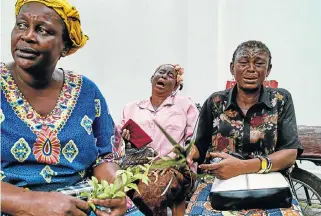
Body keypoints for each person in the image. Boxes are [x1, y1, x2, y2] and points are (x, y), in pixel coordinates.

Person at [0, 1, 127, 215]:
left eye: (42, 30)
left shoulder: (87, 92)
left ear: (66, 47)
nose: (28, 36)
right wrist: (29, 203)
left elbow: (105, 156)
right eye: (21, 25)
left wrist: (112, 190)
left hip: (80, 204)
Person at [186, 40, 304, 215]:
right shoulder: (215, 102)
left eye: (259, 63)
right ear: (232, 68)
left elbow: (289, 153)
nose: (251, 69)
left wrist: (242, 166)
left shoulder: (280, 100)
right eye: (243, 63)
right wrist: (186, 154)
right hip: (219, 182)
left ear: (268, 70)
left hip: (269, 184)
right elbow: (200, 146)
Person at [119, 64, 199, 216]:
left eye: (170, 75)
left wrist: (173, 158)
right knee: (111, 192)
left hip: (174, 167)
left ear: (176, 85)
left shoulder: (184, 105)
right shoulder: (131, 107)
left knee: (147, 194)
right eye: (161, 72)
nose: (163, 76)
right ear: (152, 78)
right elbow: (116, 141)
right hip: (135, 165)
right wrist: (125, 139)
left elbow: (194, 140)